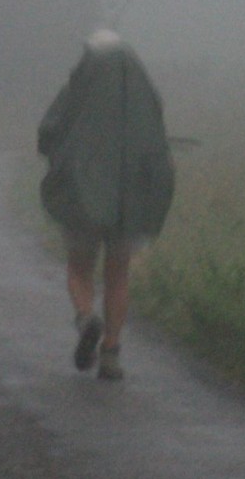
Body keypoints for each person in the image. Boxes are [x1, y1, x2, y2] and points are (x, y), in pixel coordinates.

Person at [37, 29, 174, 380]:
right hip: (127, 203)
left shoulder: (78, 90)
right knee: (118, 275)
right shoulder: (143, 95)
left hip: (83, 198)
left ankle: (85, 317)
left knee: (79, 269)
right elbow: (156, 144)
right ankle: (111, 353)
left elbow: (50, 130)